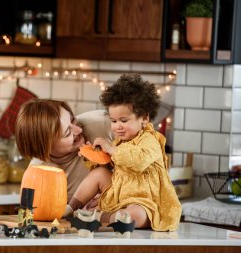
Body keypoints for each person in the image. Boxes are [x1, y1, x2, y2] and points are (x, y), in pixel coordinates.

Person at [66, 73, 181, 231]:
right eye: (113, 121)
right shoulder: (120, 141)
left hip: (145, 199)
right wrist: (92, 155)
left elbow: (139, 161)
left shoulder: (150, 140)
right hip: (121, 193)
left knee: (136, 216)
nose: (117, 126)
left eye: (124, 120)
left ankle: (100, 217)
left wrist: (112, 149)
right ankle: (70, 209)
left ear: (144, 118)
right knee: (99, 173)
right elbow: (110, 165)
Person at [15, 99, 112, 203]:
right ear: (47, 147)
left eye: (72, 120)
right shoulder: (38, 173)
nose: (79, 130)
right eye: (67, 133)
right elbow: (31, 211)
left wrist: (112, 197)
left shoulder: (106, 123)